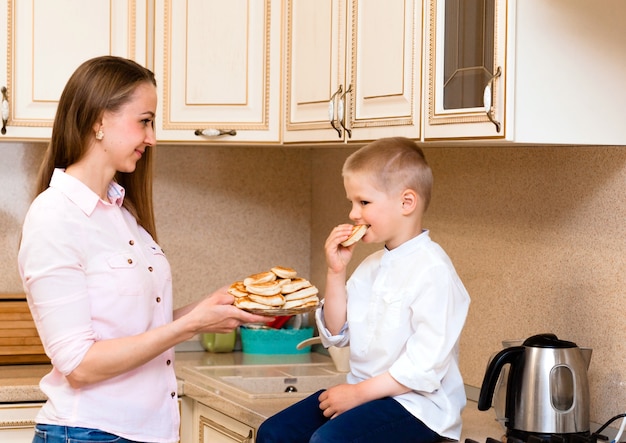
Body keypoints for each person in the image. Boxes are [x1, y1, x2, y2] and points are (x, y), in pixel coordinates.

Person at [17, 55, 269, 443]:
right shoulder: (55, 216)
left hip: (145, 432)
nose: (152, 138)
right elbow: (79, 365)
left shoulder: (122, 214)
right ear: (99, 121)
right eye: (145, 121)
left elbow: (138, 328)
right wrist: (189, 325)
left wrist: (206, 311)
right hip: (91, 432)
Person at [257, 137, 471, 443]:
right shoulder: (372, 265)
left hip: (418, 406)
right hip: (363, 394)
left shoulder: (433, 270)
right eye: (352, 203)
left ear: (406, 202)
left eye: (364, 202)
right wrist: (335, 271)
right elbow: (337, 331)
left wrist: (357, 393)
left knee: (327, 441)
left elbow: (423, 367)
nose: (353, 213)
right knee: (274, 433)